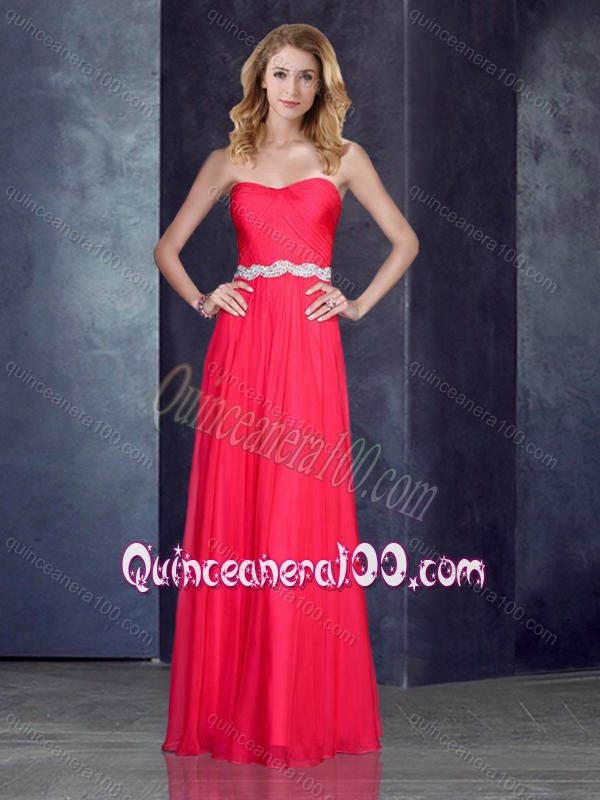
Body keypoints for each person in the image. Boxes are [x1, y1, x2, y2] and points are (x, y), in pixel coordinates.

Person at [154, 23, 419, 768]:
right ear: (260, 80)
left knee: (300, 512)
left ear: (321, 85)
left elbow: (405, 240)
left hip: (308, 349)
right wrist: (206, 297)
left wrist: (356, 303)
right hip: (240, 348)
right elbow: (166, 248)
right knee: (236, 515)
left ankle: (297, 709)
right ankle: (234, 710)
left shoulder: (342, 158)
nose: (293, 88)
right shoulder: (227, 160)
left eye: (307, 76)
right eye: (281, 74)